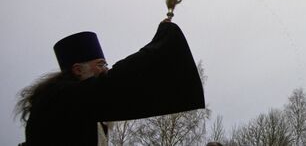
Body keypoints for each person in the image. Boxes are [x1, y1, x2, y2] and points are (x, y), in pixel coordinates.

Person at [16, 19, 205, 145]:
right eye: (100, 64)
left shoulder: (70, 100)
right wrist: (164, 40)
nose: (105, 69)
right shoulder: (61, 98)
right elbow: (119, 81)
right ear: (78, 69)